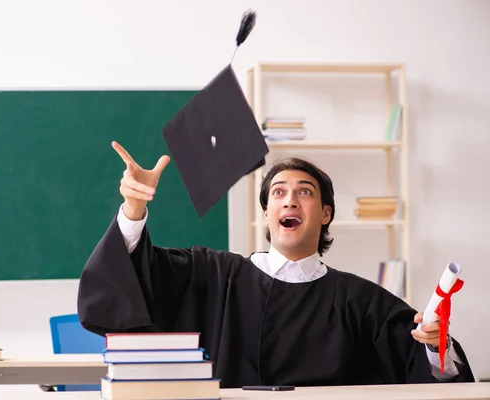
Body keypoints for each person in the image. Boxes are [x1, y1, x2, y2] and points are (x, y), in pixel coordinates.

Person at [77, 141, 475, 388]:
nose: (290, 201)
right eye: (279, 193)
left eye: (305, 192)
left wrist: (435, 345)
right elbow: (131, 278)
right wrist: (134, 207)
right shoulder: (213, 276)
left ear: (324, 214)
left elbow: (431, 374)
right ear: (267, 213)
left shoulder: (361, 301)